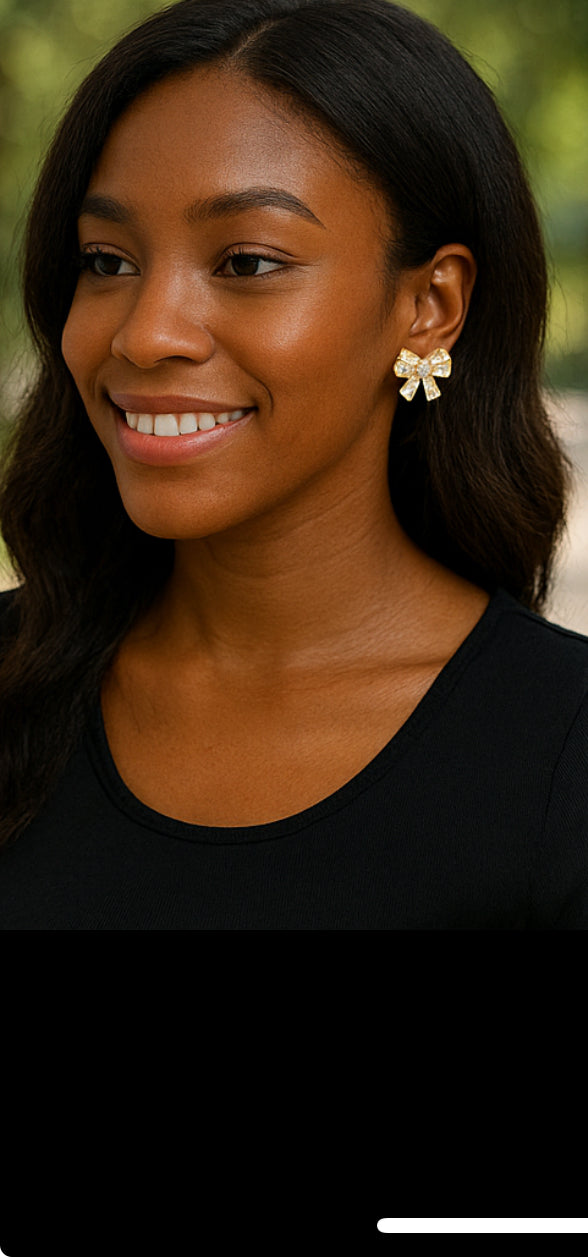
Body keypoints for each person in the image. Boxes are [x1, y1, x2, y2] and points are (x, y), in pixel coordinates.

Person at [0, 0, 586, 930]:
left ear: (430, 305)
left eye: (245, 261)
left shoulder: (561, 757)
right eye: (106, 261)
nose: (146, 333)